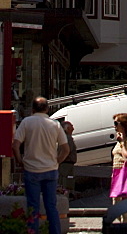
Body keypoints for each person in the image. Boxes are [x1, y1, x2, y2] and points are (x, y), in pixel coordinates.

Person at [12, 96, 70, 234]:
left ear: (32, 108)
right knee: (51, 206)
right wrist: (57, 160)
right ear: (47, 108)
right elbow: (66, 148)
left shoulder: (27, 122)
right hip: (50, 169)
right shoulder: (54, 124)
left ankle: (33, 231)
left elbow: (15, 145)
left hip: (31, 169)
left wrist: (20, 160)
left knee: (33, 206)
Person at [58, 120, 77, 192]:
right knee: (66, 182)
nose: (73, 128)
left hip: (66, 164)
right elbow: (67, 151)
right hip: (66, 164)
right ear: (67, 128)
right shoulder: (67, 138)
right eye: (71, 126)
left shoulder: (65, 138)